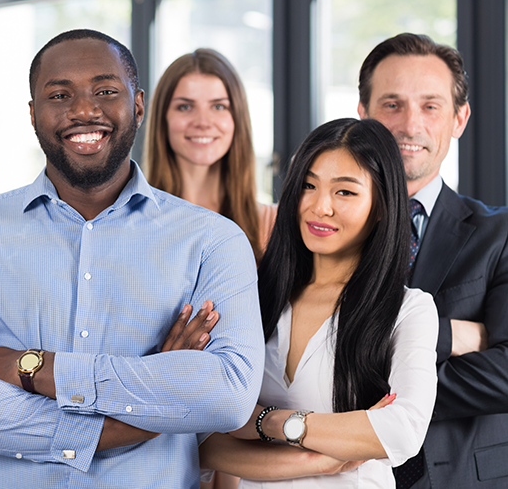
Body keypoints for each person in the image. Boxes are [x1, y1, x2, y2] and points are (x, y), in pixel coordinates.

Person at [0, 29, 264, 489]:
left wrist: (35, 368)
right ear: (33, 115)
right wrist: (146, 398)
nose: (83, 110)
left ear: (137, 104)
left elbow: (228, 395)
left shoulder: (214, 241)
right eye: (59, 95)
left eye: (105, 91)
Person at [199, 118, 439, 488]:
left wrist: (269, 420)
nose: (320, 206)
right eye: (309, 186)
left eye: (344, 192)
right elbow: (206, 443)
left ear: (381, 206)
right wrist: (323, 459)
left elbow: (403, 431)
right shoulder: (252, 294)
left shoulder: (409, 310)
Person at [356, 33, 508, 489]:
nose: (410, 124)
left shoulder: (498, 236)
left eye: (430, 106)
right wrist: (454, 336)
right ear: (363, 114)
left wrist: (369, 379)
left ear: (459, 118)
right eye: (392, 104)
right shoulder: (321, 227)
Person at [144, 48, 275, 262]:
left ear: (237, 119)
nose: (203, 122)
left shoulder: (274, 224)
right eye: (185, 106)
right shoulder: (130, 224)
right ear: (163, 119)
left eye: (218, 106)